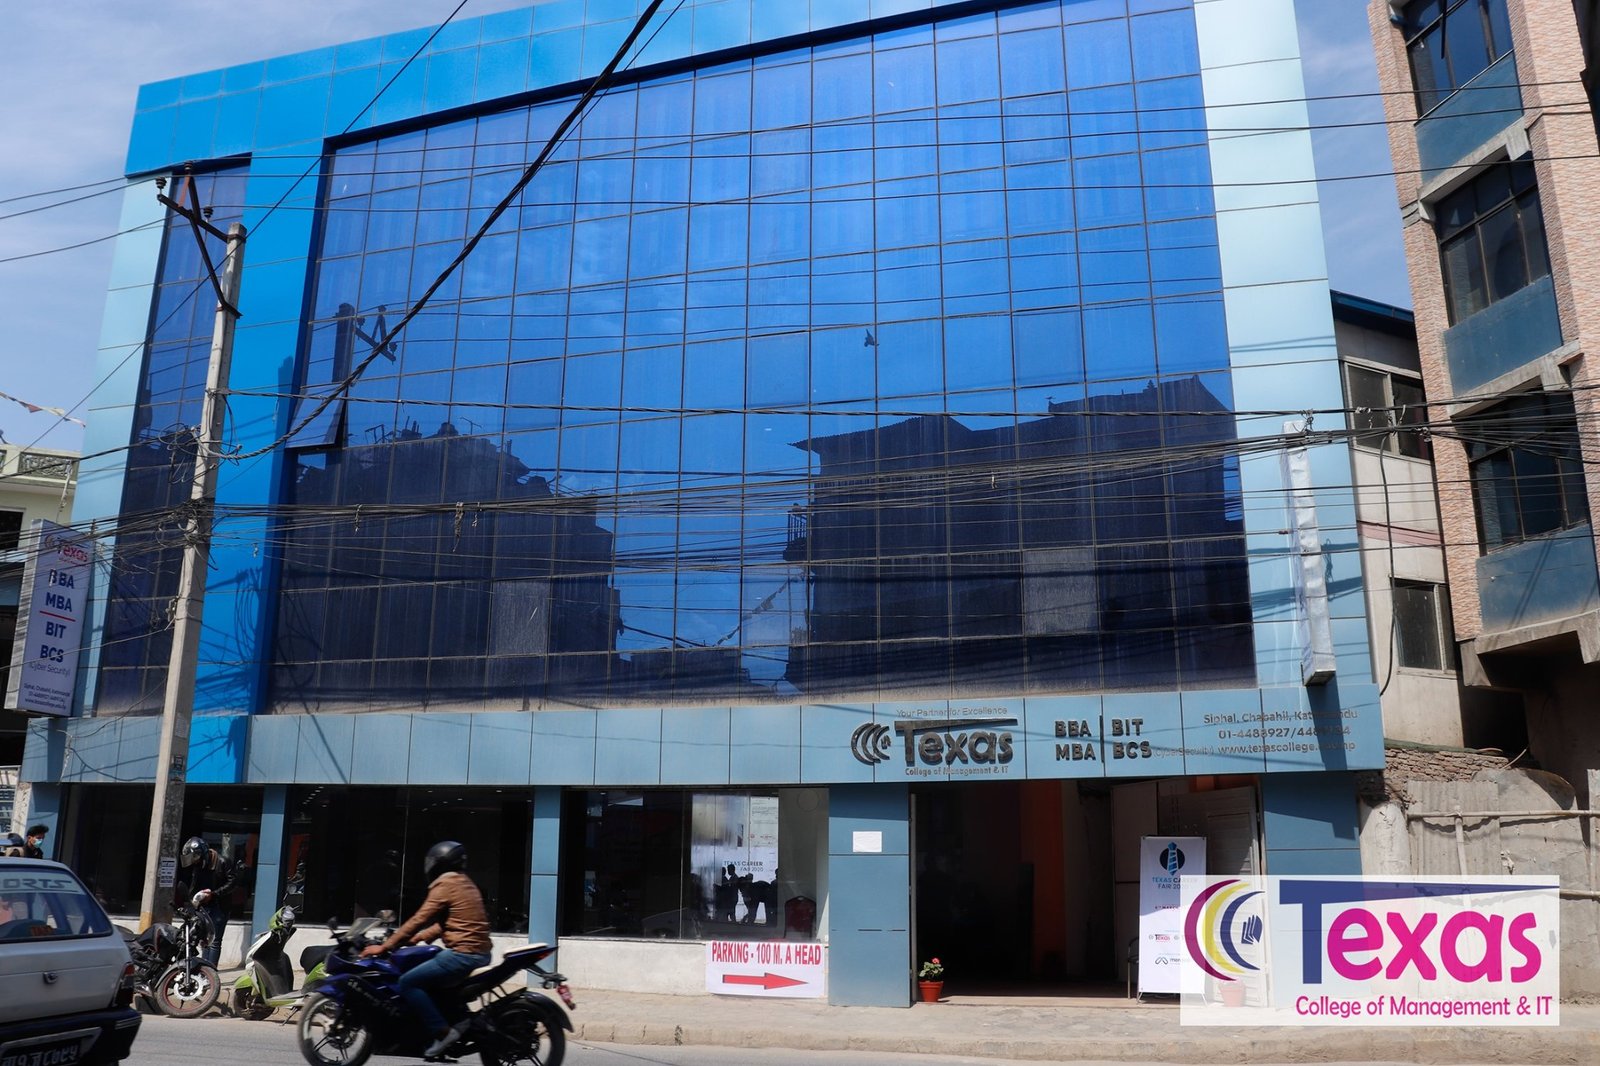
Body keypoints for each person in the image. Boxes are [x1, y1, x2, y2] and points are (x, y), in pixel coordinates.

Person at [361, 840, 491, 1059]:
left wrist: (386, 945)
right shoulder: (465, 883)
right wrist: (418, 938)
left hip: (463, 953)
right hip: (478, 952)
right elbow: (449, 923)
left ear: (439, 863)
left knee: (408, 982)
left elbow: (420, 918)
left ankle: (442, 1033)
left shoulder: (446, 884)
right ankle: (457, 1020)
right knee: (432, 975)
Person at [175, 836, 236, 967]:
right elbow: (194, 883)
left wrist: (214, 894)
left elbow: (232, 883)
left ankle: (211, 969)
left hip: (219, 906)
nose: (194, 861)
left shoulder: (222, 862)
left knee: (215, 941)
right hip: (203, 906)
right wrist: (191, 901)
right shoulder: (199, 866)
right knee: (204, 940)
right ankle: (204, 969)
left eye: (196, 857)